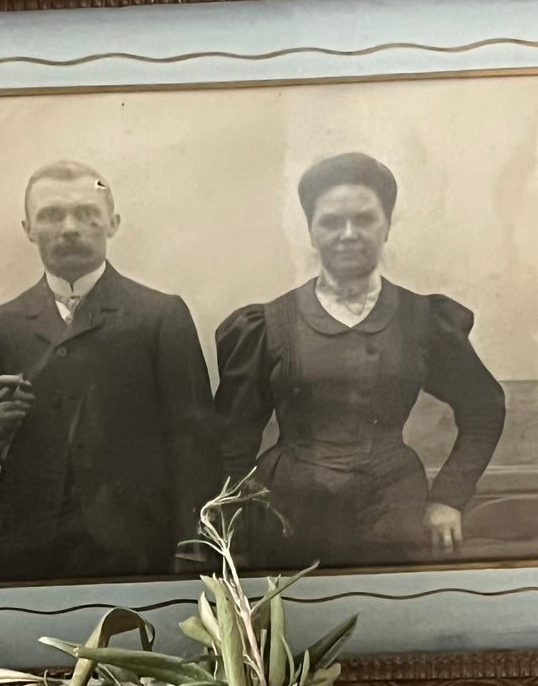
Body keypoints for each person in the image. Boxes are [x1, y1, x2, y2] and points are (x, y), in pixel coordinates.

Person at [214, 151, 505, 568]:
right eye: (331, 221)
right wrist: (227, 523)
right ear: (311, 232)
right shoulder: (268, 324)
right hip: (289, 515)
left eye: (365, 219)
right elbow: (233, 439)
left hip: (393, 513)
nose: (348, 234)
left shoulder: (421, 319)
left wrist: (448, 497)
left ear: (387, 226)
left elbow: (484, 407)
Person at [0, 160, 219, 582]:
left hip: (138, 547)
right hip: (26, 548)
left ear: (112, 223)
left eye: (86, 213)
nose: (69, 228)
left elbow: (195, 440)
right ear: (28, 228)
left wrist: (193, 544)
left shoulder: (161, 316)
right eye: (51, 215)